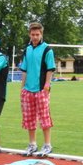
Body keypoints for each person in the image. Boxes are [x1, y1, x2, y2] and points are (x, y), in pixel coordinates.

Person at [18, 21, 56, 157]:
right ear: (29, 34)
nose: (35, 37)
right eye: (33, 34)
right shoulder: (27, 49)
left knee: (44, 118)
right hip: (28, 90)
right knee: (29, 118)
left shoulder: (47, 50)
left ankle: (47, 145)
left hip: (41, 89)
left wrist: (47, 85)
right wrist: (22, 88)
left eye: (37, 34)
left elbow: (50, 69)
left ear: (41, 34)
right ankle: (32, 144)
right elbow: (24, 70)